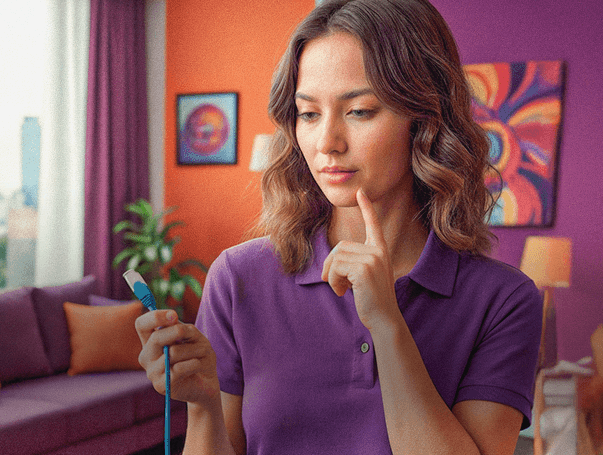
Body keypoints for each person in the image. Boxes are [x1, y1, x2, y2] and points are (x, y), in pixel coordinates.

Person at [135, 0, 542, 453]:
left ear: (426, 119)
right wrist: (203, 405)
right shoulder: (237, 278)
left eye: (359, 111)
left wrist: (386, 325)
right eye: (309, 114)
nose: (327, 142)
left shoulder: (505, 301)